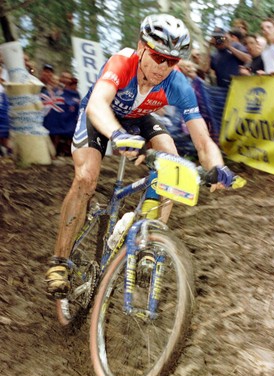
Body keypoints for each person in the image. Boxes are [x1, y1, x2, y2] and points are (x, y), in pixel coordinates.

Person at [44, 14, 235, 298]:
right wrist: (117, 135)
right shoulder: (123, 62)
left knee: (174, 165)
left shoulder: (177, 83)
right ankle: (59, 262)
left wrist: (218, 167)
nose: (163, 67)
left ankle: (150, 243)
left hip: (140, 116)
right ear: (141, 47)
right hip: (100, 115)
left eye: (172, 61)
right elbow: (97, 105)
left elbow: (203, 140)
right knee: (86, 178)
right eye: (158, 57)